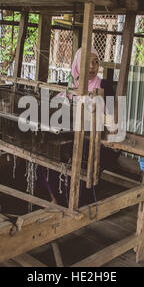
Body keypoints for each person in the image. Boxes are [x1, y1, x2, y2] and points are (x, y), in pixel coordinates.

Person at [36, 47, 119, 207]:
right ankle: (55, 198)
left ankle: (75, 202)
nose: (92, 67)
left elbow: (112, 119)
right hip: (74, 137)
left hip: (97, 141)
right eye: (86, 62)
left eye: (95, 62)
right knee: (45, 153)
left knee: (75, 156)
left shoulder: (104, 86)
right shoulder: (69, 88)